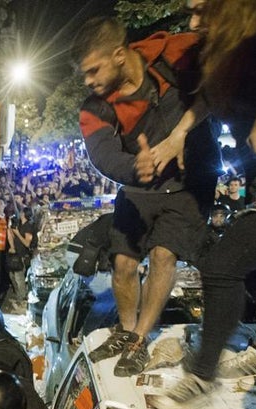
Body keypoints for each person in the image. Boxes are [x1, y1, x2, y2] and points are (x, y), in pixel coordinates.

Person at [73, 16, 217, 377]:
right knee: (122, 264)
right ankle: (124, 330)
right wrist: (135, 168)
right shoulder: (95, 107)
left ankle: (139, 339)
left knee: (163, 255)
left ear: (120, 55)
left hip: (189, 183)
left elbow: (226, 68)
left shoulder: (175, 53)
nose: (89, 82)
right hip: (139, 185)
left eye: (93, 70)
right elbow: (103, 156)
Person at [147, 0, 256, 409]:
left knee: (222, 266)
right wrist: (179, 134)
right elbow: (209, 98)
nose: (194, 22)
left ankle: (200, 379)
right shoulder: (229, 51)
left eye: (202, 9)